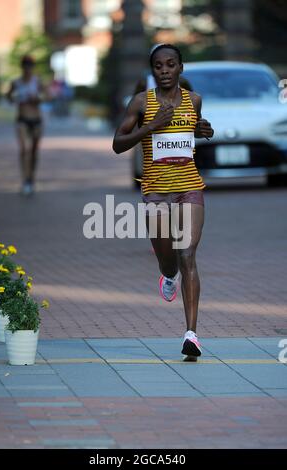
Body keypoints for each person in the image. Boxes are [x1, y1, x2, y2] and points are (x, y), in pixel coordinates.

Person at [113, 44, 214, 360]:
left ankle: (191, 335)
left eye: (171, 64)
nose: (165, 70)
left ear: (181, 68)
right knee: (168, 259)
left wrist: (204, 129)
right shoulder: (142, 102)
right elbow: (118, 144)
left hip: (189, 188)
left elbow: (194, 129)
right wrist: (151, 126)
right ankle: (167, 276)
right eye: (159, 66)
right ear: (153, 70)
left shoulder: (193, 100)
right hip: (156, 192)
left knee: (188, 254)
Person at [7, 55, 45, 196]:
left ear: (33, 68)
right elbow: (9, 97)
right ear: (22, 67)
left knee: (34, 151)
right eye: (25, 67)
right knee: (24, 150)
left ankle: (31, 178)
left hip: (36, 120)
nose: (28, 70)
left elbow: (48, 96)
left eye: (30, 67)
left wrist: (37, 98)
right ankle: (25, 180)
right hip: (22, 119)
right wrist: (14, 98)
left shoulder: (37, 82)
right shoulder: (16, 82)